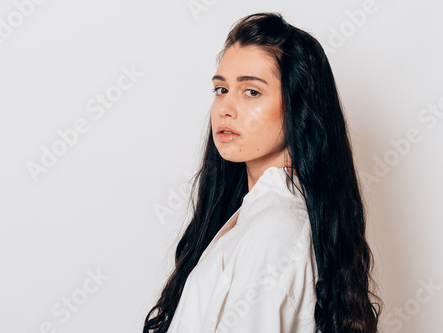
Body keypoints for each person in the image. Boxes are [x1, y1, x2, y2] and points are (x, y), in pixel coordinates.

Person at [143, 12, 382, 333]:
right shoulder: (256, 215)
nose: (225, 108)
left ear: (299, 106)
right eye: (221, 89)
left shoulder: (274, 229)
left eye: (251, 91)